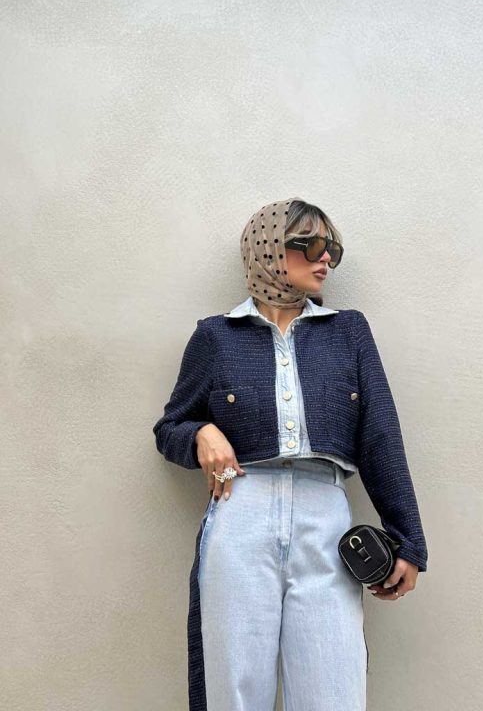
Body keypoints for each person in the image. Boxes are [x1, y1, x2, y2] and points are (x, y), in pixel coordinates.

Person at [152, 196, 428, 711]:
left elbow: (381, 438)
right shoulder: (216, 336)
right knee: (233, 690)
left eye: (333, 250)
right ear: (268, 249)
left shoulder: (348, 331)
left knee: (334, 692)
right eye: (312, 245)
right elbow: (170, 428)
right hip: (240, 514)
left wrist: (408, 540)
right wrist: (201, 433)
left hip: (325, 520)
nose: (325, 259)